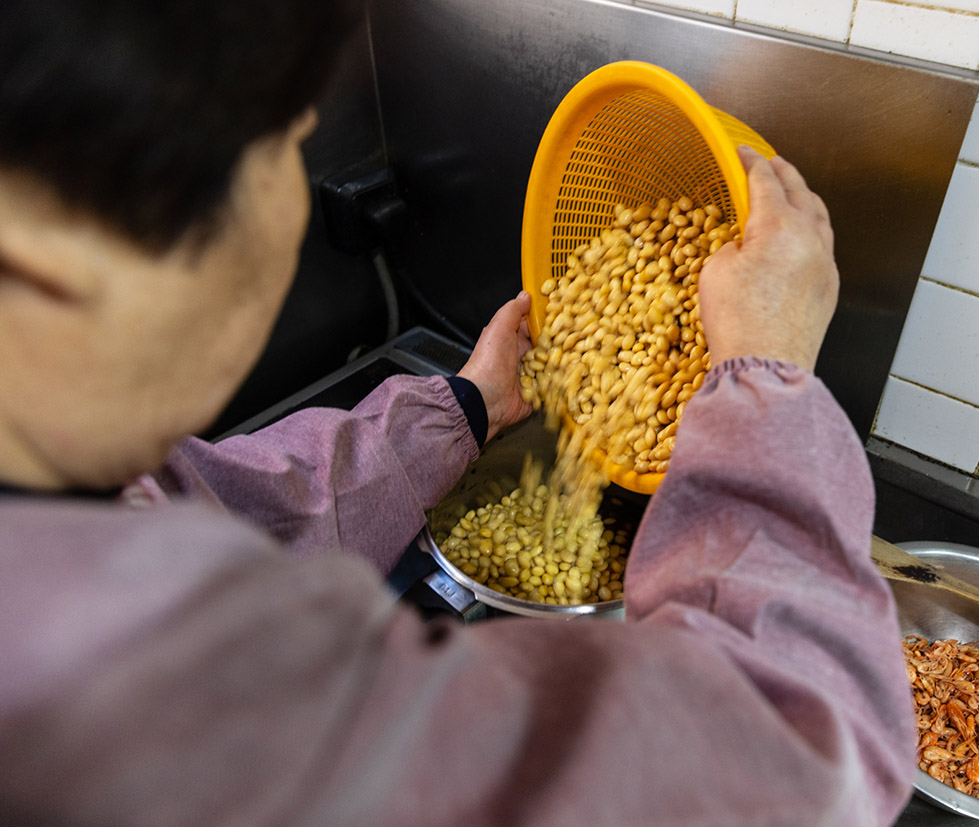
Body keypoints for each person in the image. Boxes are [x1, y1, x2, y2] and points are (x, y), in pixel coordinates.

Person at [0, 1, 915, 824]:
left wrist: (469, 404)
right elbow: (788, 764)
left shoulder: (66, 507)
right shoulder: (145, 692)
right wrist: (768, 375)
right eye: (282, 144)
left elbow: (232, 510)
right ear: (50, 252)